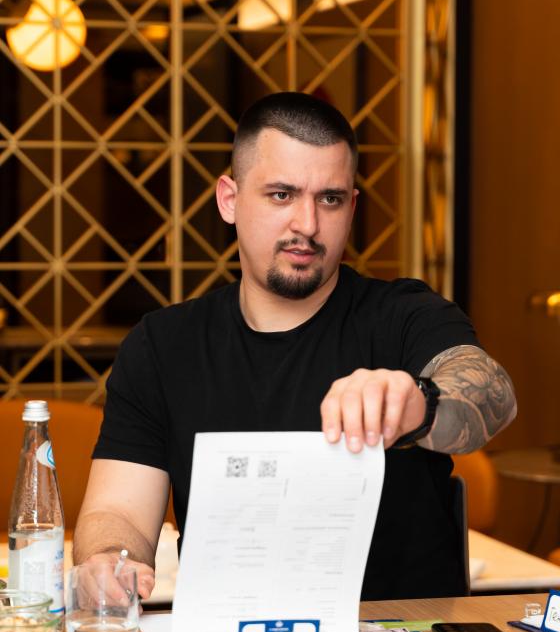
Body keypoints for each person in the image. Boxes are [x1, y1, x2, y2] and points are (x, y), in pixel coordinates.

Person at [73, 92, 516, 600]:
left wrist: (415, 403)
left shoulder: (404, 315)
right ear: (229, 200)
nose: (307, 224)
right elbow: (119, 511)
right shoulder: (163, 345)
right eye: (282, 195)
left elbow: (492, 394)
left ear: (351, 207)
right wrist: (109, 560)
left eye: (329, 199)